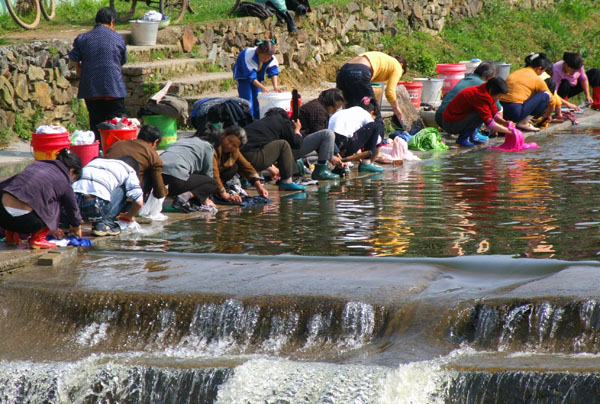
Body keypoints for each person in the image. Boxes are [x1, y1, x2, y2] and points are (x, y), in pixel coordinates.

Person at [0, 149, 82, 249]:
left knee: (17, 194)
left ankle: (11, 237)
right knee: (55, 201)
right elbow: (72, 208)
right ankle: (37, 239)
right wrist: (76, 226)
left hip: (2, 218)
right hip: (25, 221)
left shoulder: (35, 165)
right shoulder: (64, 179)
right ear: (72, 171)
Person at [68, 7, 127, 143]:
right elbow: (121, 63)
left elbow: (73, 58)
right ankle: (115, 149)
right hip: (114, 88)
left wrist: (79, 69)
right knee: (117, 123)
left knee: (95, 121)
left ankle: (97, 150)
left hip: (91, 88)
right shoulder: (118, 38)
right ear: (112, 22)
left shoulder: (83, 38)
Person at [73, 156, 144, 236]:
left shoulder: (95, 162)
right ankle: (105, 224)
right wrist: (128, 217)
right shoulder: (129, 170)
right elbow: (139, 202)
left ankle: (69, 223)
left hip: (70, 209)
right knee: (124, 187)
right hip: (95, 206)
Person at [241, 108, 306, 191]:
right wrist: (297, 130)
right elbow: (297, 144)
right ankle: (287, 181)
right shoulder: (282, 122)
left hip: (239, 161)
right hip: (251, 158)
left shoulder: (261, 123)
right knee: (283, 145)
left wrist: (270, 167)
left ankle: (244, 180)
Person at [435, 61, 500, 141]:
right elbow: (498, 109)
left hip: (439, 117)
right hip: (450, 121)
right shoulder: (483, 87)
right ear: (485, 75)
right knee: (481, 110)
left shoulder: (464, 80)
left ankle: (472, 134)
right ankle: (466, 137)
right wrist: (503, 129)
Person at [160, 124, 219, 212]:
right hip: (175, 181)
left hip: (157, 179)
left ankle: (181, 197)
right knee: (212, 183)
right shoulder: (207, 146)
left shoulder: (181, 141)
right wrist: (205, 199)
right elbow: (207, 174)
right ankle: (182, 198)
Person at [441, 78, 515, 147]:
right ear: (491, 90)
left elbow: (494, 113)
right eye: (499, 96)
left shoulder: (487, 91)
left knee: (480, 113)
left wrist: (504, 122)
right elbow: (489, 123)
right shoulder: (481, 96)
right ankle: (462, 139)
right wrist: (509, 132)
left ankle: (472, 137)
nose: (499, 98)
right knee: (478, 115)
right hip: (451, 124)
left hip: (458, 120)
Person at [336, 51, 406, 122]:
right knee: (374, 112)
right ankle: (378, 132)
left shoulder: (384, 60)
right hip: (359, 71)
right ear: (401, 65)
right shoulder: (398, 67)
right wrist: (396, 107)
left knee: (350, 111)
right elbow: (390, 92)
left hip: (343, 71)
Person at [104, 125, 168, 202]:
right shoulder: (152, 155)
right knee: (151, 173)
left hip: (103, 189)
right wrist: (165, 192)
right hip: (125, 197)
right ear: (156, 142)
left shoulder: (118, 144)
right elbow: (159, 193)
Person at [212, 126, 269, 203]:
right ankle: (216, 190)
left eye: (234, 146)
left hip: (217, 179)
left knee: (234, 167)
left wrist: (259, 187)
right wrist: (224, 194)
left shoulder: (235, 151)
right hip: (207, 176)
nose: (230, 146)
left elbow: (247, 167)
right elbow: (213, 172)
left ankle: (217, 189)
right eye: (229, 141)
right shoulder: (215, 146)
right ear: (224, 135)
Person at [328, 97, 385, 172]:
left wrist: (359, 155)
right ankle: (366, 164)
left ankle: (342, 166)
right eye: (374, 117)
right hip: (343, 147)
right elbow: (378, 141)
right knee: (375, 126)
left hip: (331, 148)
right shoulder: (365, 114)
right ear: (371, 112)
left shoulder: (347, 112)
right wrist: (373, 159)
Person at [499, 53, 554, 132]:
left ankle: (521, 121)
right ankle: (523, 122)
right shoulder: (536, 79)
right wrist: (547, 115)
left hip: (502, 112)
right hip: (515, 113)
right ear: (539, 69)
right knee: (545, 95)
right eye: (543, 71)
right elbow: (552, 100)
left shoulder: (516, 72)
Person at [233, 39, 281, 120]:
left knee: (258, 99)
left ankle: (258, 119)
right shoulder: (248, 55)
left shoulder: (271, 58)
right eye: (264, 57)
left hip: (257, 74)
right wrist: (262, 87)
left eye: (268, 58)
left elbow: (273, 71)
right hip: (243, 75)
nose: (266, 59)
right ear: (258, 52)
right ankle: (248, 121)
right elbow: (250, 76)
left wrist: (275, 87)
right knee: (247, 99)